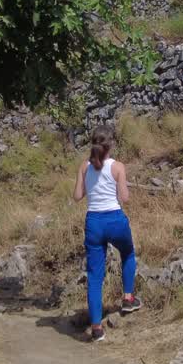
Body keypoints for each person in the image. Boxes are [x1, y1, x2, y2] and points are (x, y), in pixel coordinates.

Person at [72, 126, 141, 342]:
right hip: (114, 219)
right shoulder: (117, 167)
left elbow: (77, 196)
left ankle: (96, 328)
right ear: (110, 145)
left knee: (95, 277)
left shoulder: (84, 167)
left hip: (94, 222)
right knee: (128, 253)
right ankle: (128, 298)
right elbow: (125, 197)